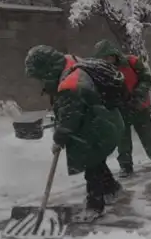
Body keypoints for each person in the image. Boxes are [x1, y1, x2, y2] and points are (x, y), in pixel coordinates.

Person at [24, 45, 126, 217]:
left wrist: (58, 139)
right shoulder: (69, 62)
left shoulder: (71, 84)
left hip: (100, 126)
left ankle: (95, 206)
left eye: (40, 76)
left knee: (91, 165)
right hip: (106, 120)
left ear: (47, 70)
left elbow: (69, 119)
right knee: (96, 160)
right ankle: (111, 188)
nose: (40, 81)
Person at [92, 39, 151, 177]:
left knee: (148, 137)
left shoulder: (132, 62)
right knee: (122, 141)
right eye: (103, 58)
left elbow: (147, 78)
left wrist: (138, 94)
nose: (107, 61)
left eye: (108, 57)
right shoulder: (101, 71)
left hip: (139, 107)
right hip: (120, 110)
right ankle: (126, 167)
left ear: (115, 54)